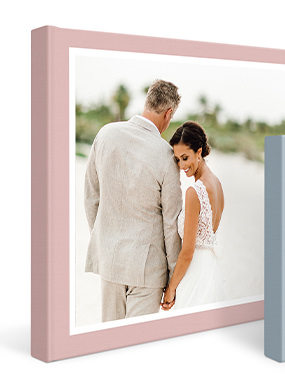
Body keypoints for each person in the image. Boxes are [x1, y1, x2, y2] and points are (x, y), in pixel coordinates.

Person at [84, 79, 183, 322]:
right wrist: (173, 278)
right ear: (168, 113)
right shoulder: (166, 155)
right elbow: (171, 225)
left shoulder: (105, 134)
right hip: (148, 271)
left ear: (148, 102)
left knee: (110, 341)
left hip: (110, 263)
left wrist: (104, 241)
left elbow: (90, 197)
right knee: (137, 347)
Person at [161, 121, 225, 310]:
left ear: (199, 152)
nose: (181, 165)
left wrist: (171, 288)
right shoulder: (217, 184)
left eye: (185, 157)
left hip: (195, 270)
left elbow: (187, 252)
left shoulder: (194, 191)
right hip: (210, 268)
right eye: (177, 159)